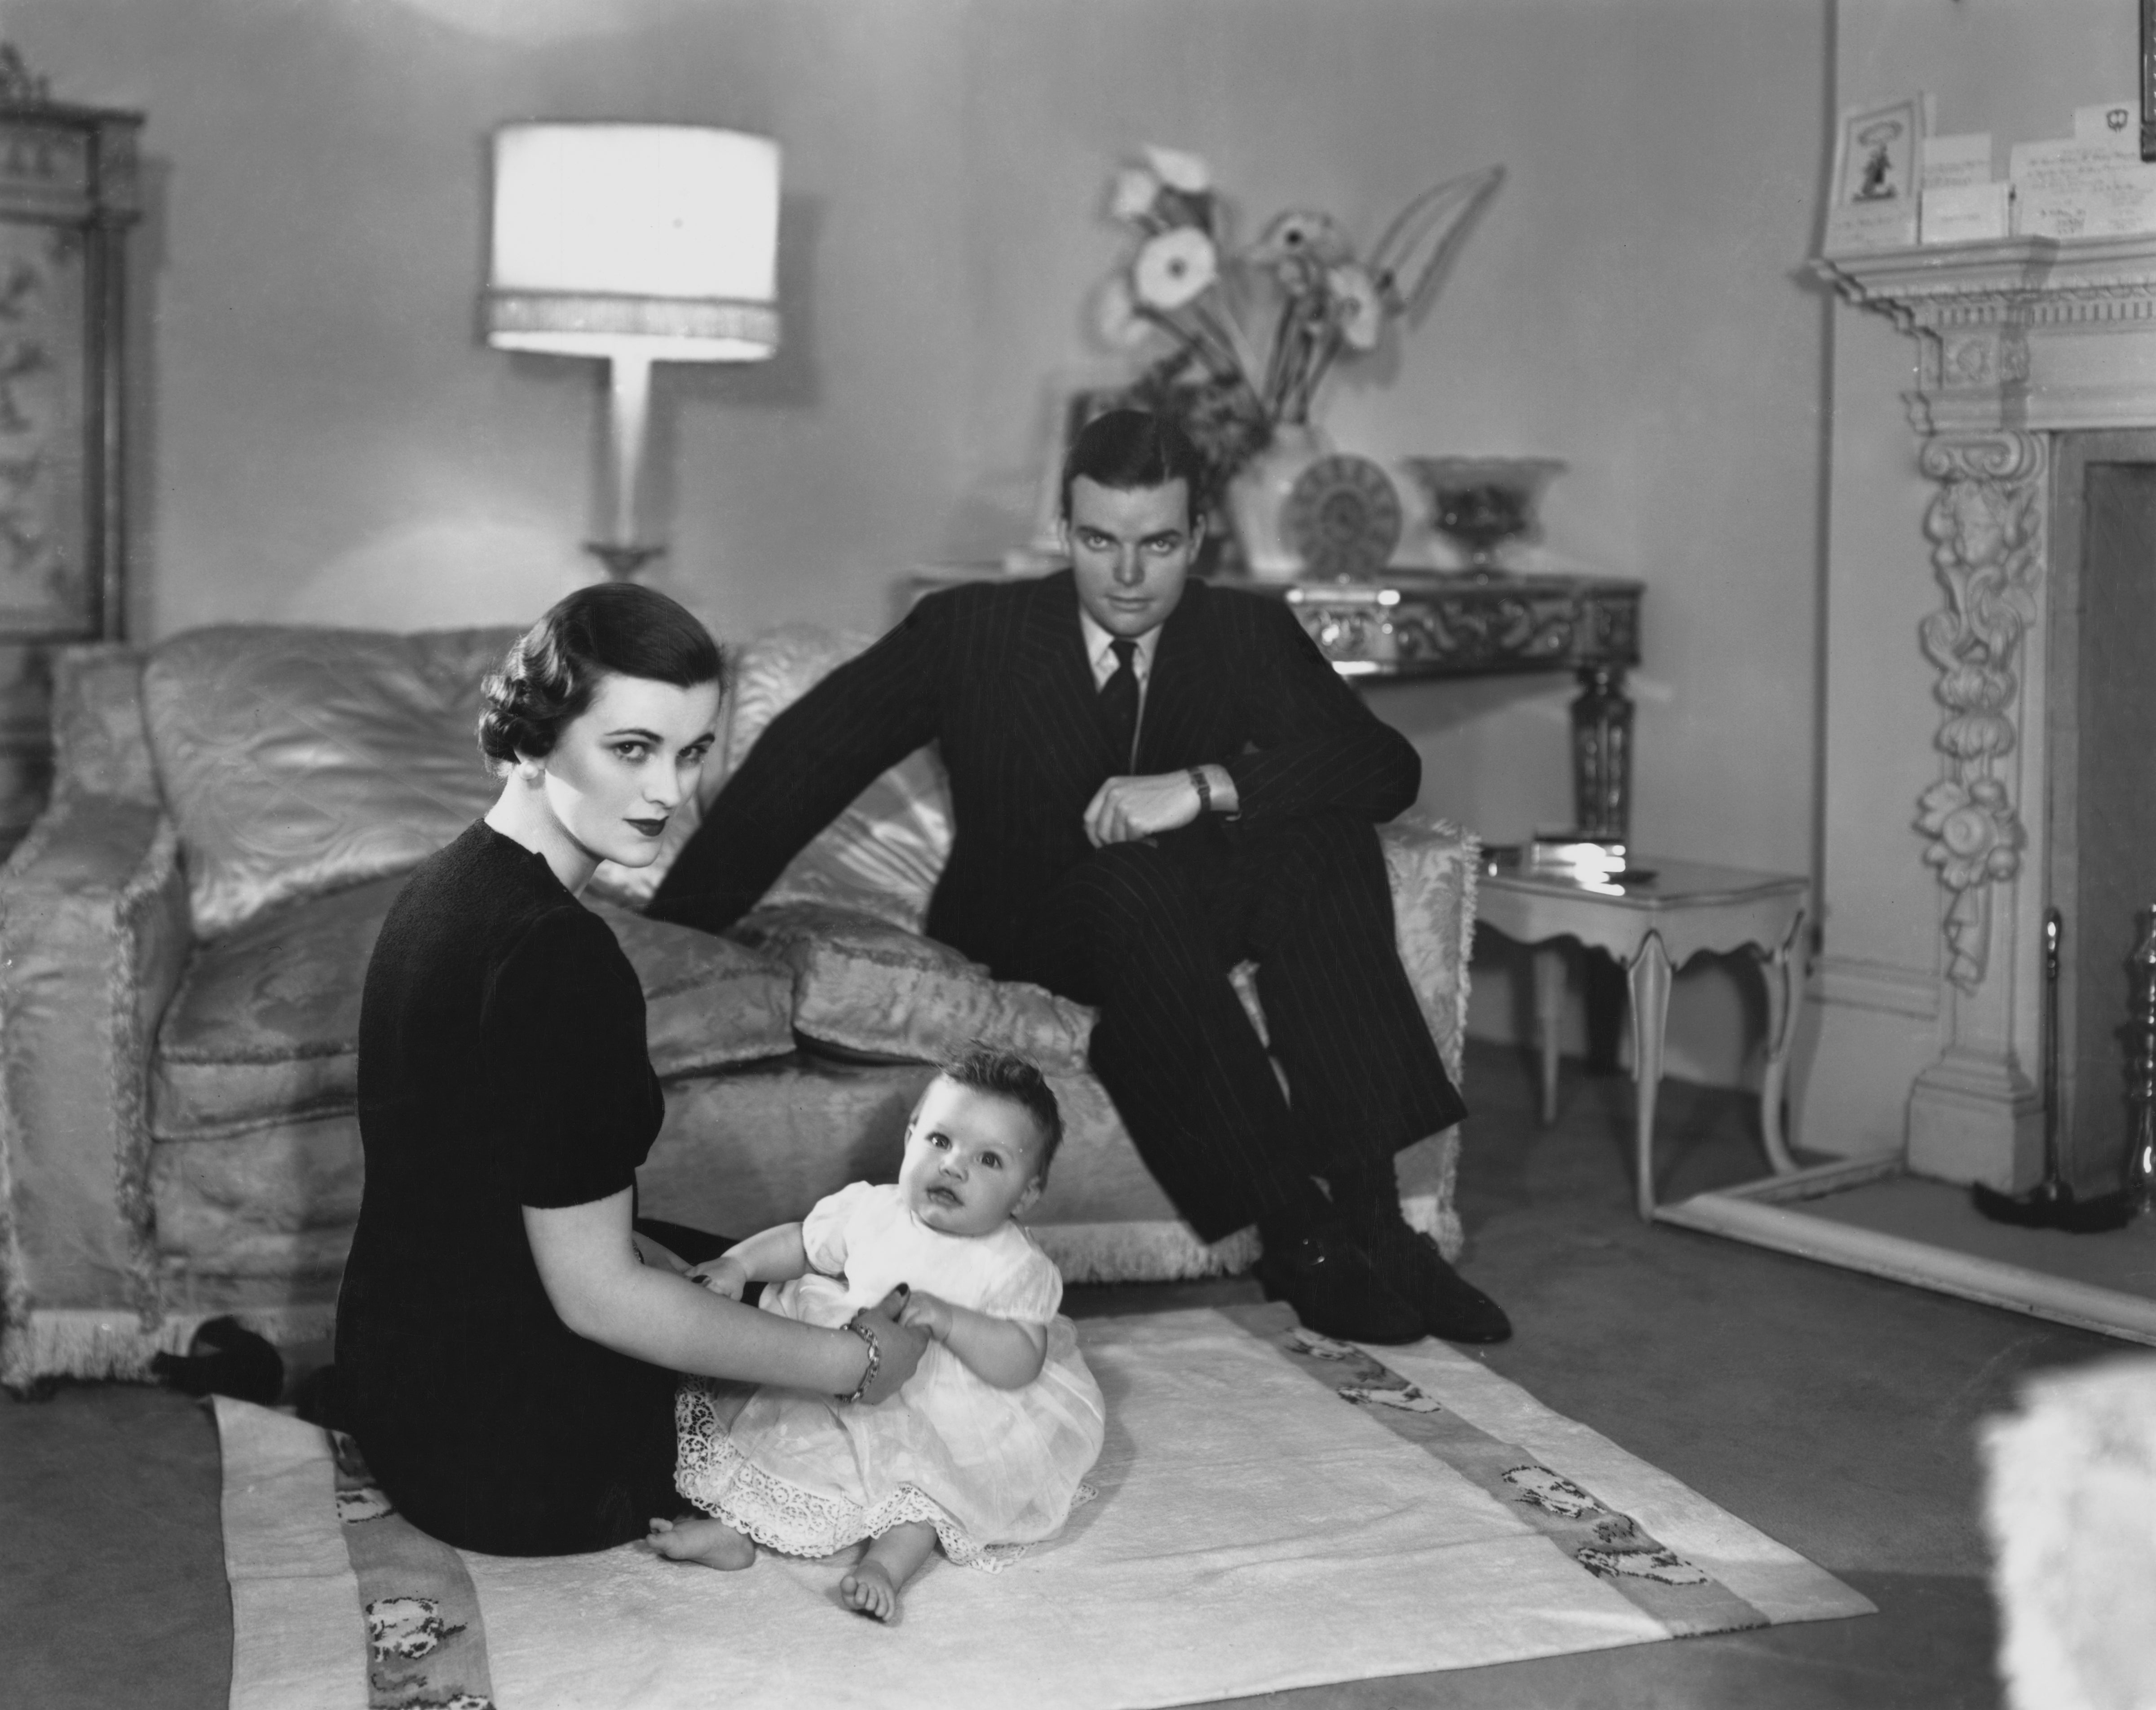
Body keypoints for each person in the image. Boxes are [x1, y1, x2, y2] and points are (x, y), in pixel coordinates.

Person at [649, 408, 1509, 1347]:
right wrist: (674, 930)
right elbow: (801, 766)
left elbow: (1384, 766)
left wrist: (1202, 786)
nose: (1130, 576)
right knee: (1125, 886)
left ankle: (1379, 1223)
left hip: (1186, 907)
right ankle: (1299, 1234)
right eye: (1101, 541)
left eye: (1159, 544)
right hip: (1034, 921)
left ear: (1198, 536)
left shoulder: (1243, 631)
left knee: (1328, 841)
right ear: (1063, 531)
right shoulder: (970, 630)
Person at [332, 582, 932, 1557]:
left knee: (750, 1266)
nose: (671, 792)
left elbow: (478, 1197)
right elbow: (596, 1297)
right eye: (632, 749)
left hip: (395, 1377)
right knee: (858, 1367)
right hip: (505, 1459)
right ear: (532, 740)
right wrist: (849, 1364)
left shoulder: (444, 886)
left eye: (691, 751)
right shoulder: (560, 958)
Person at [652, 1045, 1106, 1624]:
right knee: (783, 1428)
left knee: (925, 1490)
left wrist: (951, 1320)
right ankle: (734, 1529)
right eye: (940, 1140)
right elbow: (802, 1242)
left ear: (1026, 1194)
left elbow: (1021, 1359)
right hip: (846, 1366)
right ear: (911, 1135)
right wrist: (738, 1265)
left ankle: (884, 1567)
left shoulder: (1014, 1265)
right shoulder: (873, 1208)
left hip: (947, 1404)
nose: (954, 1165)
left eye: (989, 1159)